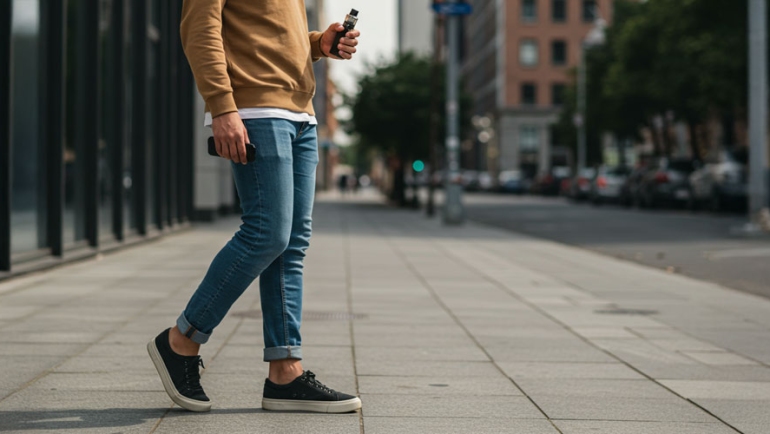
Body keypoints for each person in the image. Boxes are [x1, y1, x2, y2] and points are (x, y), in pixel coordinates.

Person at [146, 0, 361, 414]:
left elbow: (274, 34)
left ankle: (286, 372)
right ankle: (181, 339)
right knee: (266, 233)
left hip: (301, 113)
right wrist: (222, 106)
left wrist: (319, 43)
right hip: (256, 110)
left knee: (292, 245)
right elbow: (200, 30)